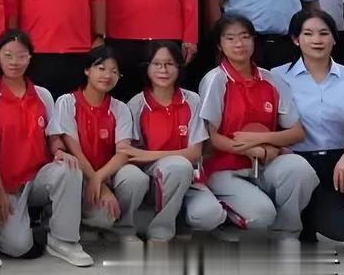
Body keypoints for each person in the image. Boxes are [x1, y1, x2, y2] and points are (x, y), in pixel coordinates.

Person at [0, 31, 91, 267]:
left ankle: (64, 240)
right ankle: (4, 224)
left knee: (69, 168)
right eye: (8, 55)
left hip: (38, 178)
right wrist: (0, 193)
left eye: (21, 56)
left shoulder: (42, 95)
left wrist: (59, 151)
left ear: (30, 58)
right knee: (17, 247)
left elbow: (53, 137)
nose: (14, 62)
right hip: (7, 186)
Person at [199, 14, 319, 240]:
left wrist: (262, 144)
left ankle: (286, 233)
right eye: (230, 38)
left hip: (265, 163)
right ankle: (225, 220)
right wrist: (249, 149)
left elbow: (297, 132)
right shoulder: (216, 79)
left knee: (300, 169)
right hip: (225, 168)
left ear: (254, 40)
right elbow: (210, 137)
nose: (239, 44)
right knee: (261, 215)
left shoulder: (270, 79)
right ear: (220, 45)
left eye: (245, 37)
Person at [273, 10, 344, 250]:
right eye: (308, 33)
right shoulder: (277, 77)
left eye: (324, 33)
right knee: (324, 227)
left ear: (334, 38)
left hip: (338, 161)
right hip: (297, 162)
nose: (317, 40)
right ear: (296, 39)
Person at [122, 42, 227, 241]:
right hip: (153, 181)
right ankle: (161, 231)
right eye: (157, 64)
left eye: (169, 64)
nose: (163, 70)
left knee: (210, 215)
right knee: (176, 166)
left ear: (179, 67)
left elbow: (194, 153)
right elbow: (132, 155)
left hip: (190, 178)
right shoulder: (136, 104)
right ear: (147, 67)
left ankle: (180, 218)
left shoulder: (193, 100)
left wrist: (148, 154)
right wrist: (149, 158)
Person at [49, 47, 149, 241]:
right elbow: (73, 148)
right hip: (77, 175)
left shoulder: (120, 108)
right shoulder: (67, 102)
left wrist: (99, 178)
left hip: (106, 174)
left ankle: (122, 226)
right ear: (87, 70)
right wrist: (97, 183)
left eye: (114, 71)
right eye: (101, 68)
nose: (107, 75)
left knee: (136, 178)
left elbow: (123, 152)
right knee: (98, 214)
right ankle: (72, 220)